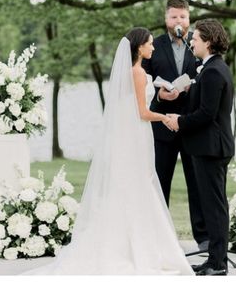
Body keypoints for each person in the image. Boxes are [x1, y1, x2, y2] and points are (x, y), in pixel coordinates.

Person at [24, 28, 193, 275]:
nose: (153, 48)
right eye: (149, 44)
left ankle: (125, 242)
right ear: (139, 48)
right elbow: (142, 112)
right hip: (136, 134)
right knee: (138, 186)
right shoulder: (138, 73)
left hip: (131, 134)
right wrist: (165, 117)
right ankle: (133, 248)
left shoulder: (131, 73)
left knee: (128, 186)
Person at [167, 19, 235, 276]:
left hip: (211, 148)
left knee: (215, 207)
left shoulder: (214, 72)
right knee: (212, 206)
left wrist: (179, 122)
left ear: (208, 41)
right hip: (208, 147)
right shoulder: (208, 68)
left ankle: (218, 264)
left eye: (195, 38)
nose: (191, 41)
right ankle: (215, 260)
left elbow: (207, 113)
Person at [142, 0, 209, 251]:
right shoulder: (153, 46)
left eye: (182, 17)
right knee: (159, 182)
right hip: (162, 126)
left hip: (192, 124)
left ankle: (203, 238)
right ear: (166, 19)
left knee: (197, 182)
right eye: (173, 17)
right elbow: (145, 82)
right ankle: (158, 238)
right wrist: (160, 95)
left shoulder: (198, 43)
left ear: (188, 18)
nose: (178, 21)